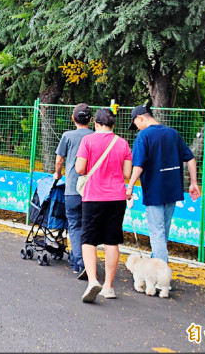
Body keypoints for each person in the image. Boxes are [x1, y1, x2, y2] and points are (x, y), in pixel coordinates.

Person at [126, 104, 200, 263]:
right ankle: (157, 269)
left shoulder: (144, 136)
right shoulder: (173, 133)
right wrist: (193, 182)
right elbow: (190, 158)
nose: (137, 128)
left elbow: (138, 165)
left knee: (157, 233)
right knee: (163, 233)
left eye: (136, 124)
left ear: (140, 118)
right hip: (172, 190)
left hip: (154, 191)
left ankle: (160, 276)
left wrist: (130, 185)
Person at [75, 108, 132, 303]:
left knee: (89, 239)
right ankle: (108, 286)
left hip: (93, 197)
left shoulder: (88, 141)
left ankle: (92, 281)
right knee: (111, 241)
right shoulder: (122, 143)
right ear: (113, 125)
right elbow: (126, 173)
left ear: (95, 124)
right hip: (116, 198)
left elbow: (80, 168)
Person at [52, 103, 93, 280]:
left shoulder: (67, 136)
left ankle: (78, 263)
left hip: (72, 189)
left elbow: (59, 159)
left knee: (74, 225)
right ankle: (89, 262)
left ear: (73, 118)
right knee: (88, 226)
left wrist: (58, 174)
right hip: (92, 190)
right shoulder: (95, 136)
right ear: (91, 120)